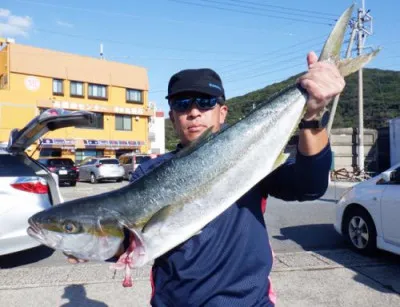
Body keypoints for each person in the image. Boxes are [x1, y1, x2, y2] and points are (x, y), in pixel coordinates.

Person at [68, 51, 345, 306]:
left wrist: (312, 116)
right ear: (174, 118)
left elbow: (310, 186)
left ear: (222, 112)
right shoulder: (148, 173)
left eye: (206, 102)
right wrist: (92, 245)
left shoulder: (252, 157)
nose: (194, 111)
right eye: (182, 103)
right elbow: (132, 242)